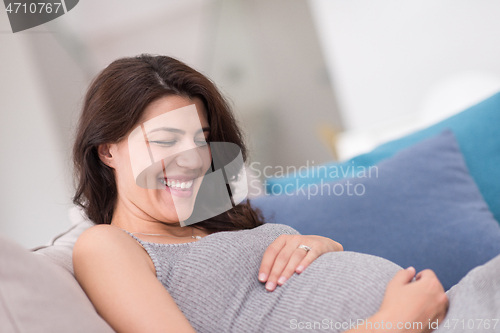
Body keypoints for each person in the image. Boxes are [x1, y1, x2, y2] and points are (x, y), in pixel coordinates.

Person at [72, 54, 498, 333]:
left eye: (201, 140)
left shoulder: (212, 222)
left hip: (455, 307)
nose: (192, 161)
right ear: (107, 149)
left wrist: (320, 247)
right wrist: (395, 321)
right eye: (165, 141)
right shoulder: (106, 246)